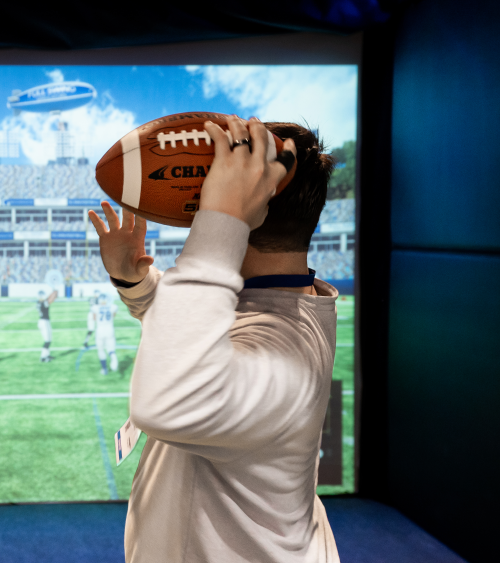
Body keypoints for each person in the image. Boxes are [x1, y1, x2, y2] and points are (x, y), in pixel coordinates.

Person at [89, 116, 339, 562]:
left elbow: (169, 397)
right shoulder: (274, 299)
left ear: (254, 200)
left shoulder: (288, 355)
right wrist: (136, 283)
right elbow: (195, 332)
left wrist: (223, 219)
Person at [89, 293, 119, 375]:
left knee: (101, 349)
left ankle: (104, 369)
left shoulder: (95, 307)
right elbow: (113, 316)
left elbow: (94, 318)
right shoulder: (113, 307)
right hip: (110, 329)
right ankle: (113, 357)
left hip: (100, 330)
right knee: (111, 348)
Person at [37, 289, 57, 363]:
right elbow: (51, 300)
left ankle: (47, 355)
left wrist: (53, 292)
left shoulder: (39, 302)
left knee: (49, 339)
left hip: (43, 321)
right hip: (44, 322)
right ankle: (43, 357)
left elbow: (48, 298)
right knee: (47, 341)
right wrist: (54, 293)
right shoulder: (43, 303)